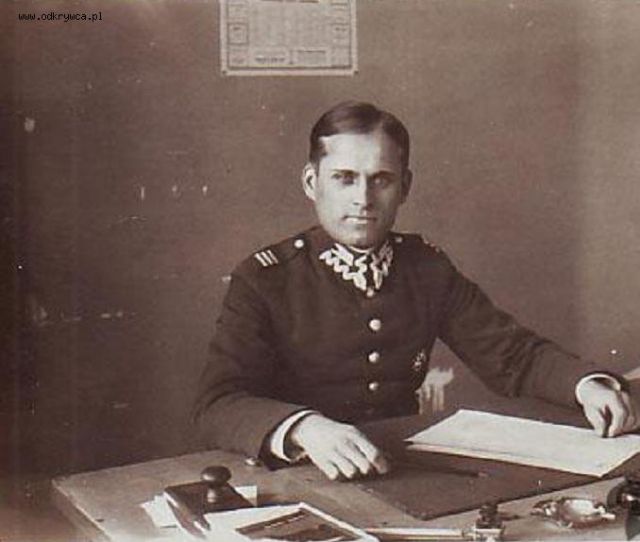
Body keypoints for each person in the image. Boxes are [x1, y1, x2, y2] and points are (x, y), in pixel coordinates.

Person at [193, 101, 639, 481]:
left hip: (399, 471)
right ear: (313, 183)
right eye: (344, 178)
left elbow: (512, 356)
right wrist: (304, 428)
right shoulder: (266, 278)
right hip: (297, 476)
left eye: (381, 179)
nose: (363, 198)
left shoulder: (425, 268)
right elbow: (218, 404)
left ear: (404, 187)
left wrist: (585, 385)